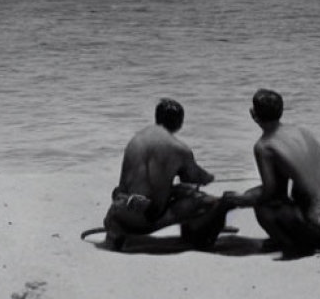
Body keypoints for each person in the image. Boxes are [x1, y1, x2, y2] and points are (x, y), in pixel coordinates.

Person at [226, 89, 320, 258]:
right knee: (300, 189)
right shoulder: (301, 130)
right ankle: (311, 238)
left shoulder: (264, 146)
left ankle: (293, 244)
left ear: (253, 114)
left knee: (263, 204)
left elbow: (271, 193)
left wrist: (240, 200)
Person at [101, 98, 235, 251]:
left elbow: (145, 183)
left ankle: (117, 231)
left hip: (120, 211)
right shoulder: (179, 148)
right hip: (145, 219)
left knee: (175, 191)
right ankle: (197, 238)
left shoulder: (137, 139)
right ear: (179, 122)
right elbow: (193, 177)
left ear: (157, 117)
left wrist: (174, 189)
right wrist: (208, 177)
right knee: (210, 201)